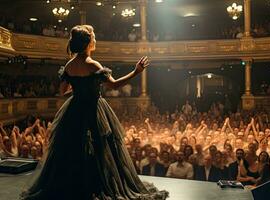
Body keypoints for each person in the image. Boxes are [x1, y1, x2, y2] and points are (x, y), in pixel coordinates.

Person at [20, 25, 168, 200]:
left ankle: (76, 187)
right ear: (88, 43)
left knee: (73, 149)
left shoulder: (69, 65)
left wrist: (79, 89)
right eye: (93, 37)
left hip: (74, 110)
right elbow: (113, 85)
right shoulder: (92, 64)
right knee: (100, 149)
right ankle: (97, 187)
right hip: (93, 109)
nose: (95, 40)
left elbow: (62, 91)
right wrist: (136, 72)